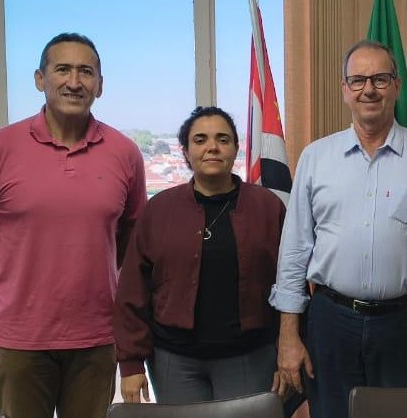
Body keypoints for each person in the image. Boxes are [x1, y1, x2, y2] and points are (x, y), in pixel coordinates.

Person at [270, 40, 407, 418]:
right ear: (345, 89)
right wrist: (288, 335)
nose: (369, 89)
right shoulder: (316, 157)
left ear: (397, 86)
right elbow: (295, 251)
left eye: (380, 79)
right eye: (358, 80)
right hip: (331, 323)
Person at [0, 33, 147, 418]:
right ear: (40, 79)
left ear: (100, 85)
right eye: (62, 70)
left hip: (96, 336)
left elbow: (131, 232)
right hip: (21, 339)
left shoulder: (125, 153)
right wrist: (6, 278)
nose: (74, 82)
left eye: (85, 72)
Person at [114, 106, 286, 404]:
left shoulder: (267, 207)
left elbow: (290, 282)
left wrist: (289, 346)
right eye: (200, 139)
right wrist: (131, 363)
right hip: (175, 361)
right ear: (185, 151)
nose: (212, 147)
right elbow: (133, 289)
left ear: (235, 148)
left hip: (249, 356)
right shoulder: (159, 210)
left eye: (222, 139)